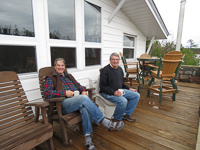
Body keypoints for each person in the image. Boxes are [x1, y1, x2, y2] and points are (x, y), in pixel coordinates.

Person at [43, 58, 124, 150]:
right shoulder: (51, 78)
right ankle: (105, 122)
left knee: (84, 108)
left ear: (64, 67)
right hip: (63, 104)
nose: (60, 67)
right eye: (58, 65)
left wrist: (83, 90)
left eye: (62, 65)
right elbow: (46, 94)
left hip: (76, 101)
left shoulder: (69, 76)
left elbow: (79, 85)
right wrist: (64, 93)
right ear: (55, 67)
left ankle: (88, 140)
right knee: (83, 99)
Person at [100, 52, 140, 123]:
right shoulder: (105, 70)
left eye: (117, 59)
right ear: (110, 60)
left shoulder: (120, 69)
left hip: (119, 90)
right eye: (113, 59)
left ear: (119, 60)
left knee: (136, 95)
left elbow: (121, 83)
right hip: (107, 93)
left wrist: (129, 88)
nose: (115, 61)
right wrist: (114, 92)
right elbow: (102, 87)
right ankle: (116, 119)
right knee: (123, 100)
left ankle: (126, 114)